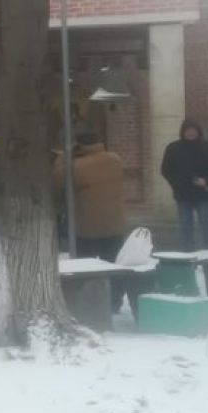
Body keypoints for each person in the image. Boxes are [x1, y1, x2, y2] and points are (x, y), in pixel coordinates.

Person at [53, 126, 127, 307]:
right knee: (113, 265)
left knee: (84, 267)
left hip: (87, 227)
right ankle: (115, 301)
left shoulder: (78, 166)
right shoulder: (114, 159)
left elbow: (56, 178)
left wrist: (65, 155)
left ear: (79, 146)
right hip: (114, 224)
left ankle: (87, 304)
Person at [160, 120, 208, 252]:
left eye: (193, 130)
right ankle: (187, 251)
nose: (191, 133)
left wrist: (207, 181)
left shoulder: (207, 147)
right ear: (183, 132)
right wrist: (177, 184)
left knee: (206, 224)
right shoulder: (173, 148)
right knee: (185, 225)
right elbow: (166, 170)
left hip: (203, 193)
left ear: (198, 132)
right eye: (188, 130)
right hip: (183, 194)